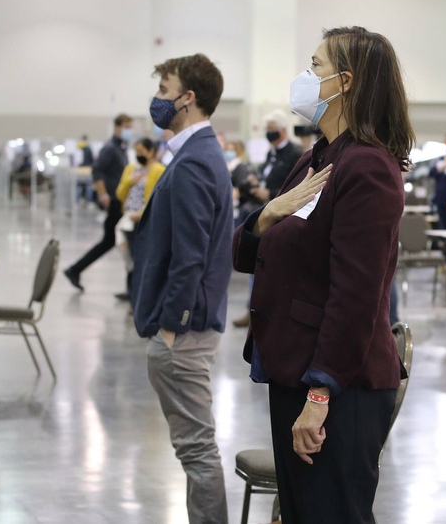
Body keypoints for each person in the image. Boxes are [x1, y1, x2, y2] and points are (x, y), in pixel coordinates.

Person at [232, 26, 415, 523]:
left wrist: (320, 393)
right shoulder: (316, 158)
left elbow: (356, 295)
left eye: (315, 66)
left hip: (339, 389)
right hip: (294, 368)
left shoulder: (368, 168)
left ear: (345, 82)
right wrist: (265, 216)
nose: (305, 76)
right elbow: (250, 254)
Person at [131, 53, 233, 524]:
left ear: (187, 98)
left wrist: (173, 326)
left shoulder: (195, 161)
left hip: (185, 334)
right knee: (195, 448)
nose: (157, 99)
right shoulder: (195, 154)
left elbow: (189, 256)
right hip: (187, 329)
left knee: (197, 450)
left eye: (163, 89)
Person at [232, 114, 304, 328]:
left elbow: (295, 187)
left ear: (282, 130)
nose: (268, 131)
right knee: (257, 264)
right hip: (263, 214)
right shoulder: (271, 155)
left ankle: (262, 312)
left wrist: (270, 192)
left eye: (271, 127)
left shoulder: (295, 154)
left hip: (282, 218)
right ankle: (253, 310)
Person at [64, 114, 133, 293]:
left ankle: (75, 270)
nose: (129, 130)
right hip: (114, 202)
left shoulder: (122, 148)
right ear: (117, 127)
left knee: (112, 242)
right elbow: (97, 171)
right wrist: (103, 195)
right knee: (123, 242)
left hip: (121, 201)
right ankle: (75, 270)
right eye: (127, 126)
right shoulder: (110, 148)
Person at [114, 138, 165, 301]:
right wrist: (130, 181)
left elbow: (157, 197)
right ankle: (131, 290)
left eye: (142, 151)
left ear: (151, 152)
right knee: (126, 252)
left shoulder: (158, 170)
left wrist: (142, 214)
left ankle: (140, 294)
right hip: (128, 216)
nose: (139, 154)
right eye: (137, 151)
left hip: (144, 218)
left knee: (140, 256)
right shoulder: (131, 168)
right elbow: (120, 194)